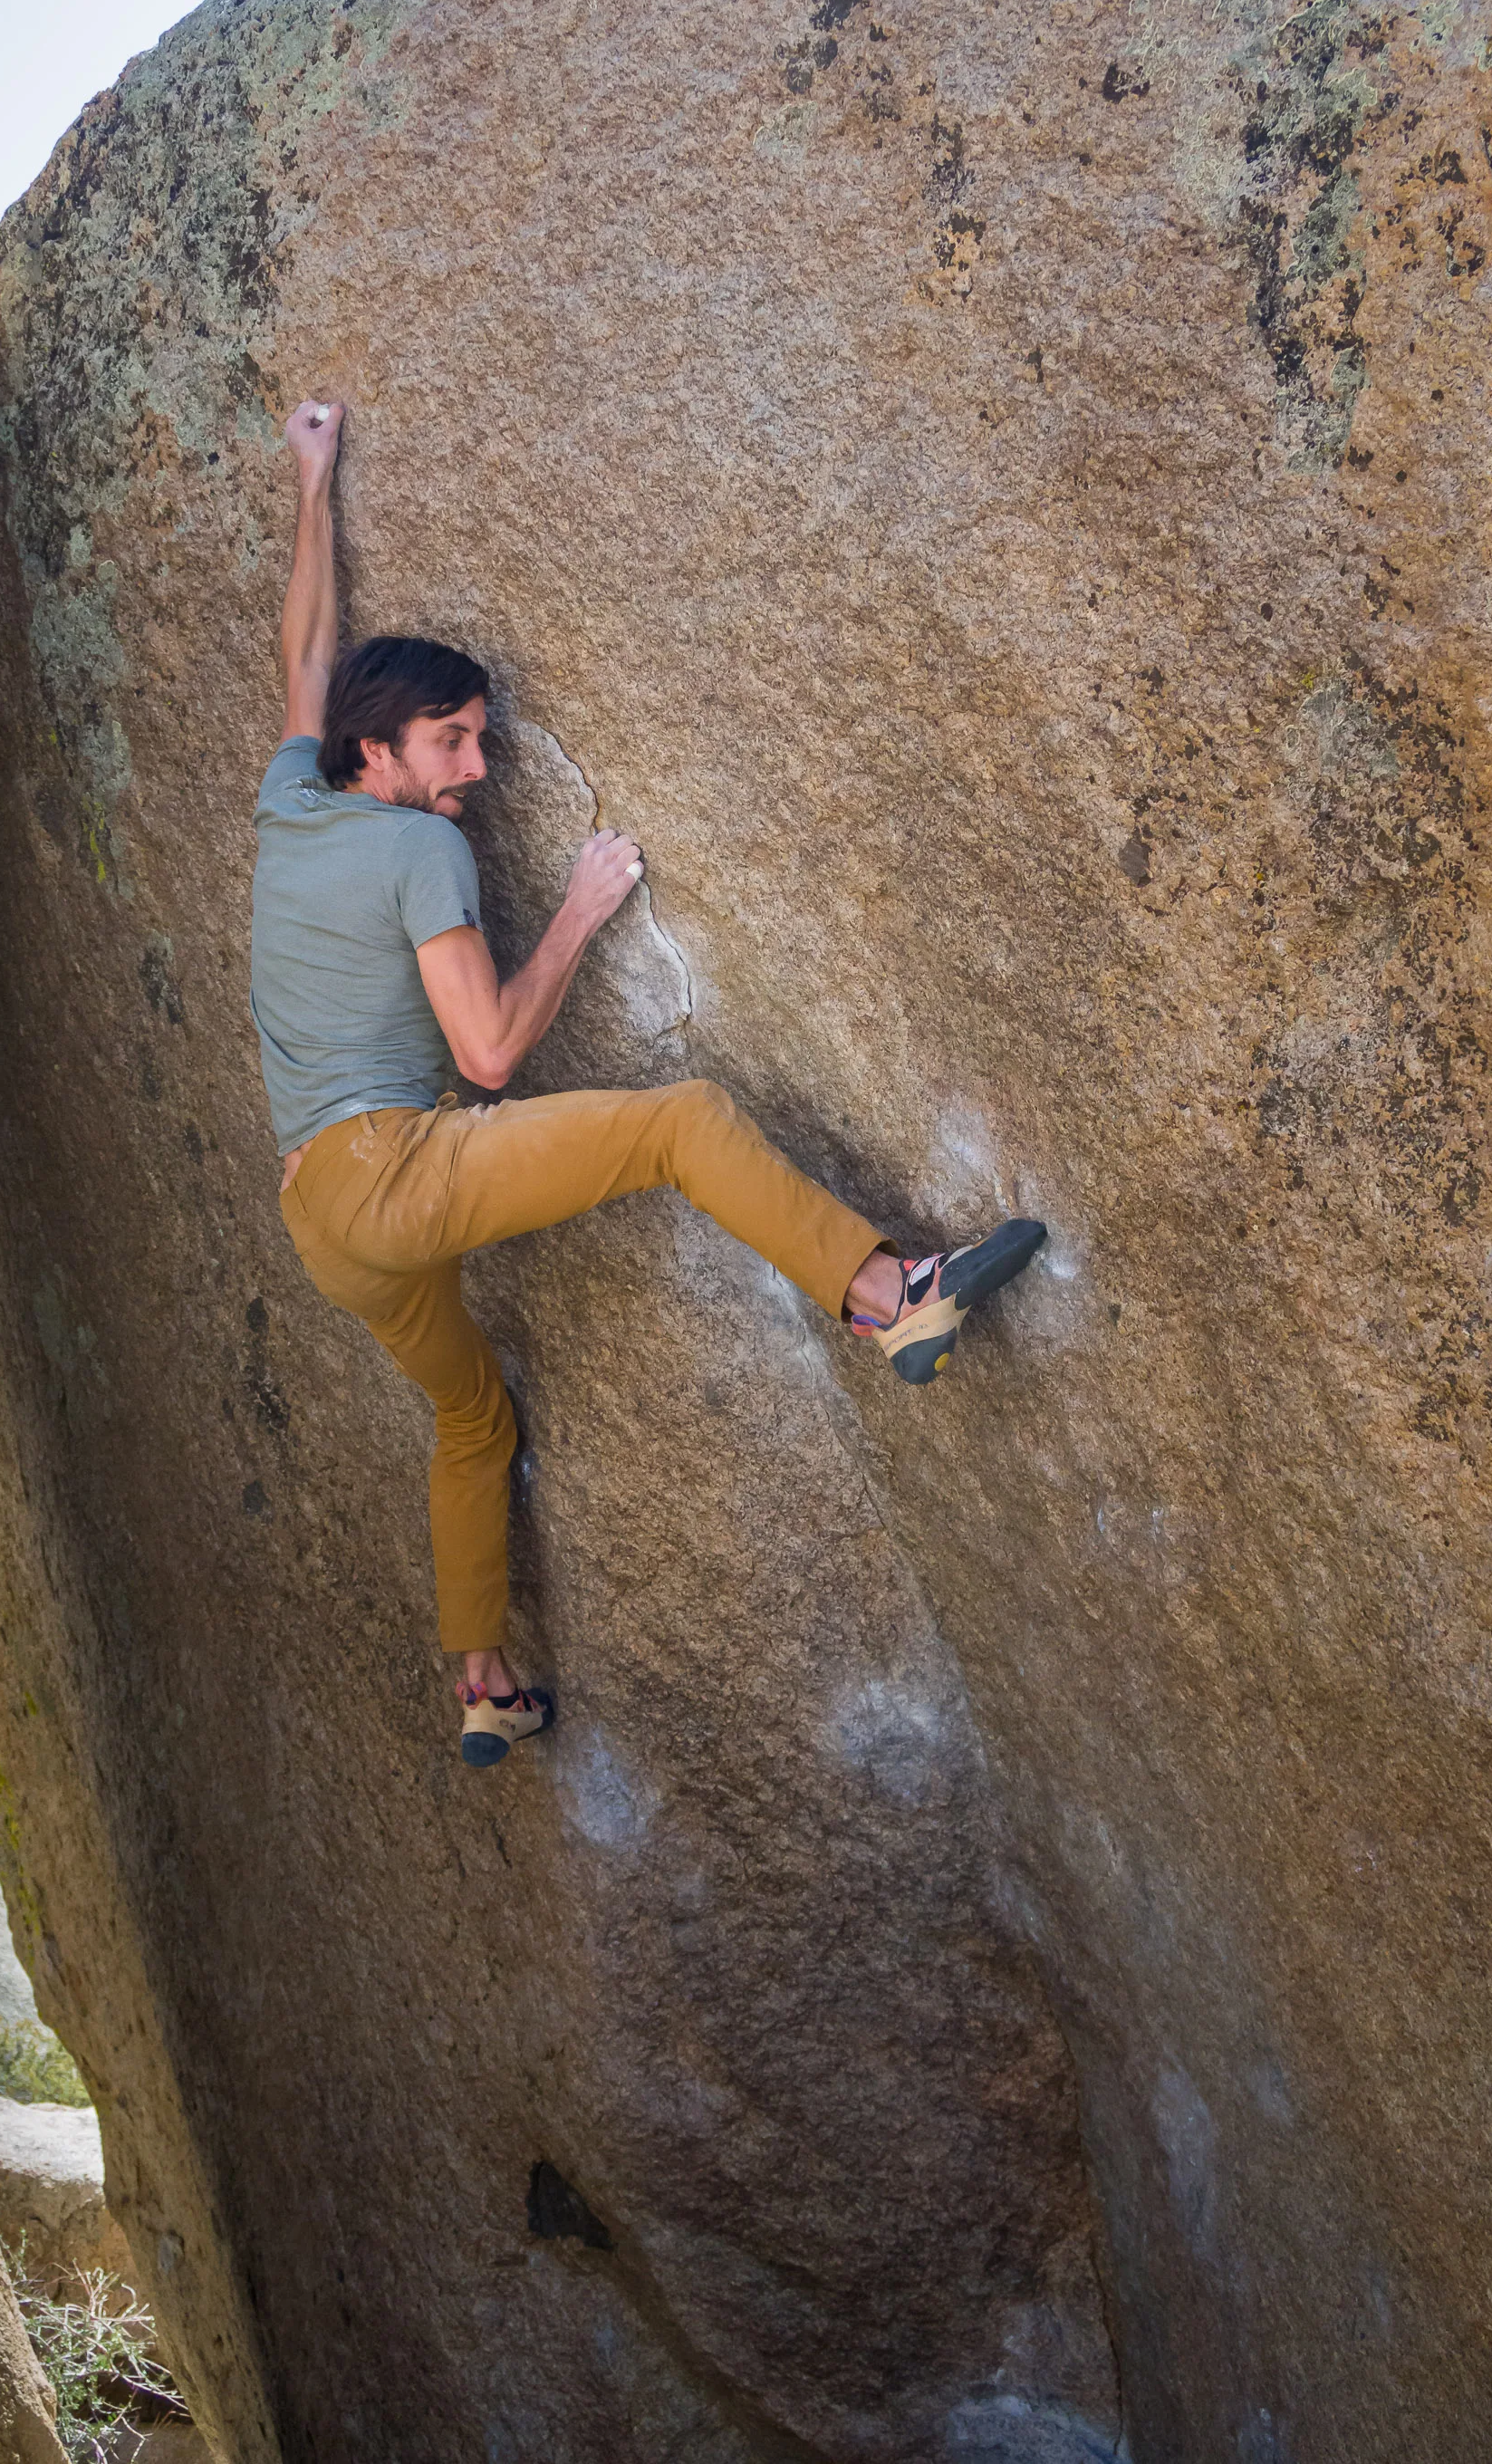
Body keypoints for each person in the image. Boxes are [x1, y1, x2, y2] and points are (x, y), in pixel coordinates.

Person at [252, 400, 1047, 1768]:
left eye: (479, 739)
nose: (476, 769)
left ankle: (483, 1680)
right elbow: (487, 1056)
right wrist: (578, 910)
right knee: (683, 1122)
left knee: (470, 1416)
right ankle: (890, 1298)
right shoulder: (420, 852)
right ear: (377, 750)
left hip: (320, 1221)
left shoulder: (291, 796)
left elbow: (308, 653)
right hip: (397, 1169)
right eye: (453, 742)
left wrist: (312, 479)